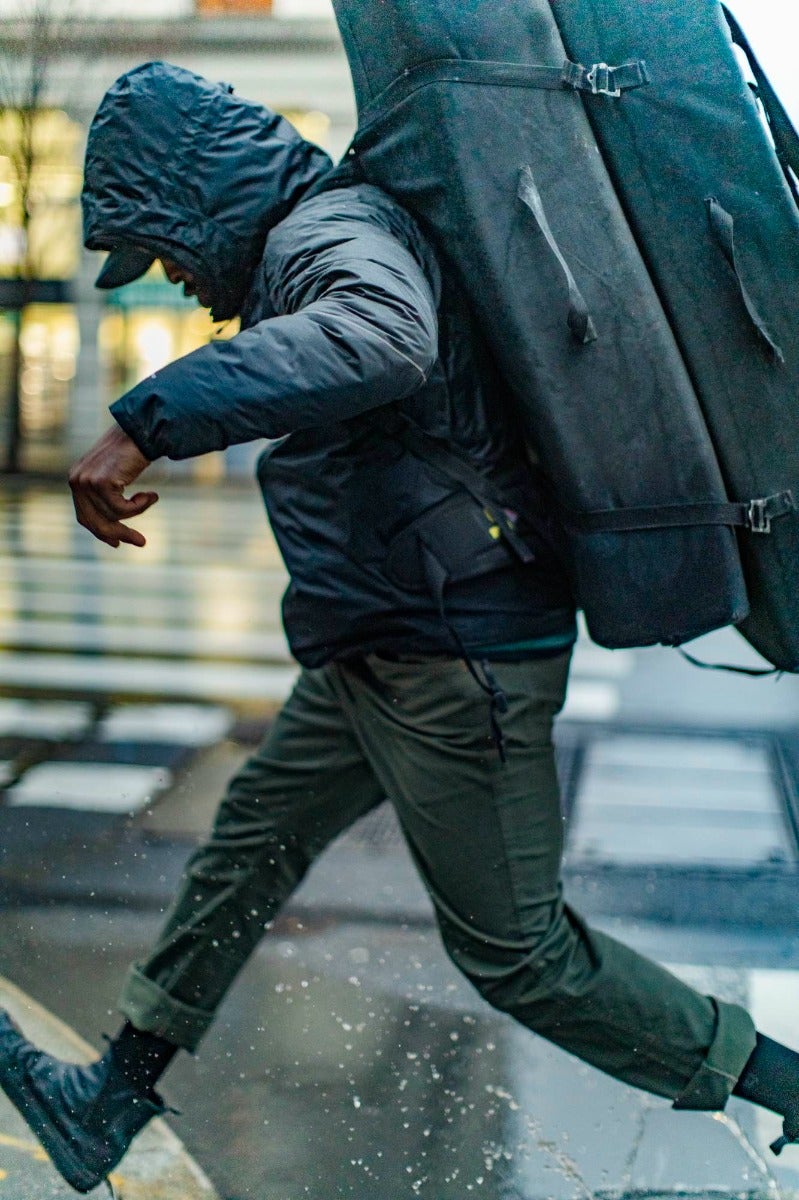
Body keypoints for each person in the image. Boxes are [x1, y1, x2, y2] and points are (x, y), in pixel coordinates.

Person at [1, 60, 798, 1196]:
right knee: (246, 850)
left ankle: (786, 1085)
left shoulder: (337, 235)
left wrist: (145, 421)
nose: (174, 281)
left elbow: (382, 341)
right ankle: (109, 1106)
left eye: (166, 250)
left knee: (520, 957)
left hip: (454, 652)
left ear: (197, 199)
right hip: (381, 645)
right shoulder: (307, 247)